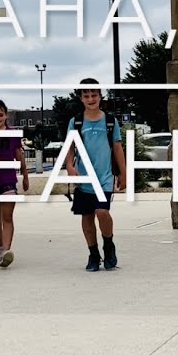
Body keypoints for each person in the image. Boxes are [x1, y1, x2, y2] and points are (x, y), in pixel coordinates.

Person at [65, 78, 125, 272]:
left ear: (100, 96)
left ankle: (108, 245)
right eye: (86, 95)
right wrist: (69, 166)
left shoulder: (110, 121)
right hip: (84, 178)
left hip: (105, 177)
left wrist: (123, 173)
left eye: (94, 95)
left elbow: (117, 148)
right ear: (81, 98)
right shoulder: (76, 122)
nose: (91, 99)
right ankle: (93, 253)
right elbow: (70, 147)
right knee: (87, 216)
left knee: (102, 212)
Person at [0, 98, 29, 268]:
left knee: (7, 216)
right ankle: (0, 246)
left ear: (6, 115)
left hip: (8, 180)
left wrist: (25, 175)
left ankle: (7, 250)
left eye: (1, 114)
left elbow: (19, 155)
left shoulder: (13, 134)